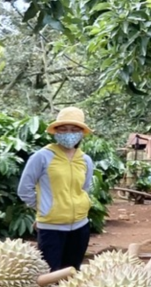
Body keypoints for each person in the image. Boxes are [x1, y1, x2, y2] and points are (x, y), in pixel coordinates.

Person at [18, 107, 95, 272]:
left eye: (74, 130)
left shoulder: (85, 160)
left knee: (72, 273)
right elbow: (24, 189)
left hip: (81, 226)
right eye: (64, 129)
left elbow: (84, 188)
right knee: (50, 274)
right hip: (51, 228)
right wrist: (44, 208)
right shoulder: (41, 157)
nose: (69, 133)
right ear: (55, 132)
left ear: (82, 133)